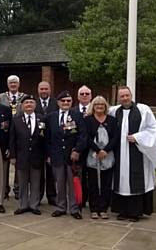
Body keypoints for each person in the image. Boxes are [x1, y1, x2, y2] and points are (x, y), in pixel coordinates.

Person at [109, 86, 156, 222]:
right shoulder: (114, 111)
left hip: (137, 152)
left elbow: (153, 129)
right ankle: (122, 211)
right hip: (120, 153)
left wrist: (138, 137)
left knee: (136, 180)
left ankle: (135, 212)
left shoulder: (143, 110)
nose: (124, 98)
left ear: (131, 95)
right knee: (121, 181)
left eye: (126, 95)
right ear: (118, 98)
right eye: (122, 96)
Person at [46, 90, 87, 220]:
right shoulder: (51, 117)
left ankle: (74, 209)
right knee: (59, 183)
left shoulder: (78, 115)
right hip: (56, 155)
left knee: (73, 183)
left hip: (72, 157)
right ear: (58, 102)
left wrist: (77, 150)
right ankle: (61, 207)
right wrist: (48, 154)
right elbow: (47, 138)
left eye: (68, 101)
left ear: (71, 102)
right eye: (63, 101)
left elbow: (83, 135)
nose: (65, 103)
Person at [9, 94, 46, 215]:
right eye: (26, 103)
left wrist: (46, 155)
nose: (29, 104)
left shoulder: (42, 118)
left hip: (37, 156)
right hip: (21, 156)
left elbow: (45, 138)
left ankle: (34, 205)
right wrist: (13, 156)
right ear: (22, 106)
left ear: (35, 105)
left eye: (31, 102)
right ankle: (23, 204)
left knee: (36, 182)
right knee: (22, 182)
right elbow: (12, 140)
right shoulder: (16, 120)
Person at [84, 95, 118, 220]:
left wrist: (105, 150)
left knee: (106, 183)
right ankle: (94, 208)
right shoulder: (88, 120)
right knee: (93, 183)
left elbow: (115, 137)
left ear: (105, 106)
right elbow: (86, 137)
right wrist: (98, 150)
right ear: (93, 106)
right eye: (97, 104)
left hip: (108, 155)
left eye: (102, 104)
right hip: (93, 155)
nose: (99, 106)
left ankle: (103, 209)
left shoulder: (112, 120)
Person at [0, 75, 25, 199]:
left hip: (19, 133)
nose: (13, 85)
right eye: (11, 83)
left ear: (18, 84)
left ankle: (18, 189)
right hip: (4, 133)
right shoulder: (1, 97)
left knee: (18, 162)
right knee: (4, 163)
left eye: (15, 83)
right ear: (8, 85)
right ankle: (4, 189)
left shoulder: (24, 97)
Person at [35, 81, 58, 205]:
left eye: (46, 89)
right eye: (41, 89)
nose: (44, 91)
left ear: (50, 89)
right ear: (38, 90)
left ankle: (52, 195)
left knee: (51, 172)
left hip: (52, 142)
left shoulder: (56, 103)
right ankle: (37, 196)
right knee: (38, 172)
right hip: (37, 143)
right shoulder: (33, 102)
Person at [72, 85, 92, 209]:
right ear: (78, 96)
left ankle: (92, 200)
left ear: (91, 96)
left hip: (92, 150)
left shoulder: (96, 109)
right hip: (78, 150)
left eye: (87, 94)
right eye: (82, 94)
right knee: (79, 176)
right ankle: (80, 200)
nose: (84, 96)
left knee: (92, 177)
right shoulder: (73, 111)